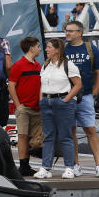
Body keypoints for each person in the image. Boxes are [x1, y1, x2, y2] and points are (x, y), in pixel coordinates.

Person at [64, 20, 99, 177]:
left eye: (71, 31)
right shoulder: (62, 49)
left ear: (80, 32)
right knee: (71, 132)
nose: (67, 33)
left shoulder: (91, 49)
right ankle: (75, 164)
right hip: (68, 97)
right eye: (66, 30)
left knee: (90, 129)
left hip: (86, 96)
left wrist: (95, 92)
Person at [33, 38, 82, 180]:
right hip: (47, 102)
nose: (46, 49)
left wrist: (66, 100)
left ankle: (69, 167)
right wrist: (41, 98)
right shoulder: (46, 65)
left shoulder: (69, 65)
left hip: (63, 102)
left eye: (49, 47)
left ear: (58, 50)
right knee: (48, 136)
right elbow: (42, 83)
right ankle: (46, 167)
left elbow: (78, 85)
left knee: (65, 136)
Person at [7, 36, 45, 176]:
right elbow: (11, 86)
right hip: (24, 108)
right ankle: (23, 166)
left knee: (35, 139)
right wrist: (18, 105)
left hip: (37, 108)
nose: (40, 49)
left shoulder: (38, 66)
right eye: (38, 46)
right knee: (23, 136)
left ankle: (27, 164)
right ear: (31, 48)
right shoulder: (18, 65)